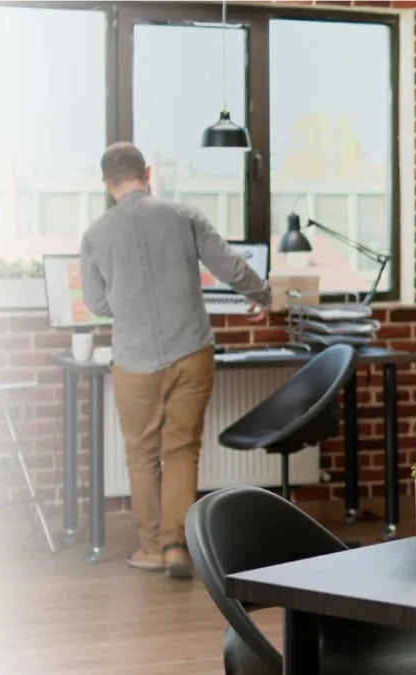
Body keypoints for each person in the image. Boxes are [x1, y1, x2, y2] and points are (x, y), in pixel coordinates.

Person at [80, 142, 271, 580]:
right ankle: (175, 546)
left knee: (142, 453)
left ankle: (151, 548)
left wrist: (125, 304)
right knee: (182, 448)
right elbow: (230, 265)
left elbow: (96, 303)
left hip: (133, 359)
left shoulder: (95, 235)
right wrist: (262, 294)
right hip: (191, 350)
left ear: (107, 183)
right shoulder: (183, 216)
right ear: (146, 172)